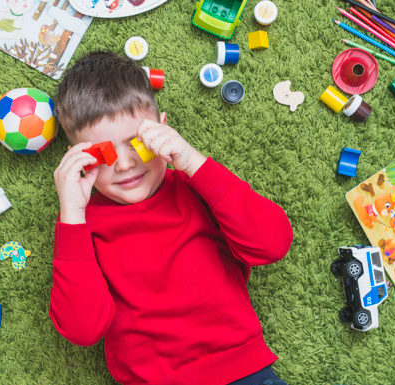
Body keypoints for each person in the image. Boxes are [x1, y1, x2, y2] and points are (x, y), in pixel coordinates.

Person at [49, 51, 293, 385]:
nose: (124, 164)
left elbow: (272, 244)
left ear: (163, 129)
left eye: (137, 142)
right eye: (103, 153)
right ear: (78, 160)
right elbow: (83, 329)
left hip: (241, 371)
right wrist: (71, 216)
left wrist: (193, 161)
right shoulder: (80, 226)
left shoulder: (198, 186)